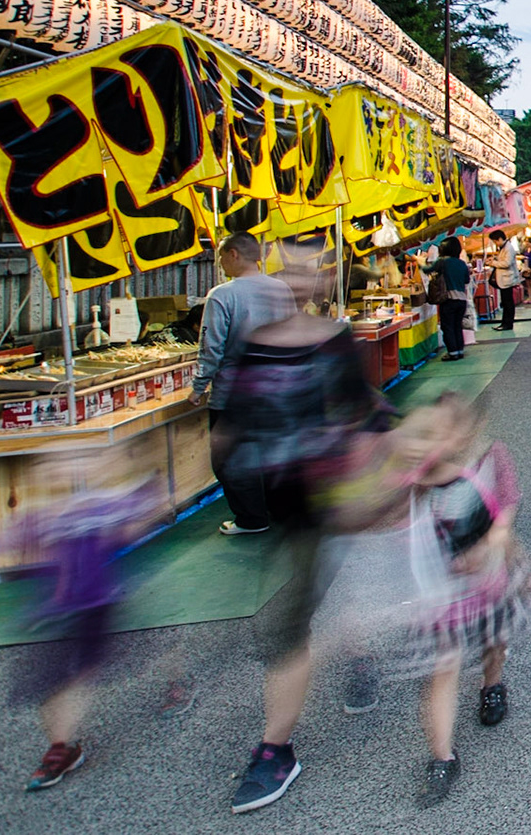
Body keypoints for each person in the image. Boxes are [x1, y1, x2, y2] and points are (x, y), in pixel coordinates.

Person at [217, 246, 382, 813]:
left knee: (291, 622)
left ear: (323, 277)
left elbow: (364, 416)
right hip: (285, 504)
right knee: (326, 595)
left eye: (306, 268)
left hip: (329, 502)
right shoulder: (255, 345)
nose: (294, 278)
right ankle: (359, 655)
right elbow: (234, 421)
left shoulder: (335, 342)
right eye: (285, 267)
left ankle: (276, 749)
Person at [401, 393, 531, 805]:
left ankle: (492, 683)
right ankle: (443, 756)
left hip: (487, 581)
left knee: (494, 641)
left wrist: (492, 550)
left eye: (437, 432)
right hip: (444, 593)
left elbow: (504, 513)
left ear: (462, 432)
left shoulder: (488, 461)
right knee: (443, 667)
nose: (424, 442)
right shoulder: (416, 479)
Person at [5, 454, 166, 791]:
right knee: (49, 684)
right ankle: (62, 748)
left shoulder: (100, 505)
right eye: (49, 466)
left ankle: (61, 747)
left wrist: (145, 495)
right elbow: (18, 547)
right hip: (56, 610)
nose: (59, 470)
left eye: (67, 463)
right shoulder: (40, 515)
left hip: (98, 605)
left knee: (83, 674)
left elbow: (136, 521)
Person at [193, 234, 297, 537]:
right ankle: (281, 511)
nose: (219, 263)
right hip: (278, 389)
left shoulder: (222, 295)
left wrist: (198, 386)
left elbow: (211, 347)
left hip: (235, 395)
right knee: (274, 453)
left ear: (234, 254)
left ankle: (251, 519)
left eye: (221, 256)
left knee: (231, 458)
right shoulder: (281, 289)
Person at [430, 237, 472, 361]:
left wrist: (419, 261)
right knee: (457, 326)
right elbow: (467, 280)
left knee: (447, 326)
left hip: (448, 300)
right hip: (462, 300)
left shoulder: (442, 262)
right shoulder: (462, 263)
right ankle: (459, 350)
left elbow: (429, 269)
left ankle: (452, 352)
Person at [487, 231, 519, 332]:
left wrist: (494, 263)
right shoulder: (504, 248)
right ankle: (505, 323)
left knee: (508, 302)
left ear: (500, 239)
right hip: (504, 279)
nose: (495, 243)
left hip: (507, 279)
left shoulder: (508, 248)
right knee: (506, 302)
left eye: (495, 241)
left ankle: (507, 323)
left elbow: (507, 263)